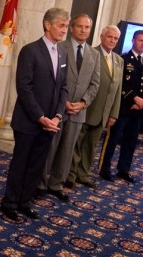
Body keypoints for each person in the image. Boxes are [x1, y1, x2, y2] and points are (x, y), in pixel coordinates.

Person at [0, 8, 69, 221]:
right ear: (47, 25)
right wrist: (40, 117)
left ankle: (24, 201)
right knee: (20, 164)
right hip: (29, 122)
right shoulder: (30, 51)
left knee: (37, 166)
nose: (64, 30)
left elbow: (64, 88)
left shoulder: (63, 53)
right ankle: (10, 202)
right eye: (61, 25)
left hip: (51, 123)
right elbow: (24, 88)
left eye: (66, 26)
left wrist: (57, 116)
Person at [38, 14, 100, 201]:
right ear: (71, 28)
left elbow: (95, 84)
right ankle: (39, 184)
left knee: (66, 151)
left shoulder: (94, 54)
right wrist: (63, 101)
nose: (83, 30)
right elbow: (52, 80)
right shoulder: (60, 47)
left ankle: (56, 184)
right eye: (79, 26)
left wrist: (83, 103)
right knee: (49, 148)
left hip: (78, 112)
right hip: (57, 109)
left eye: (87, 27)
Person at [98, 29, 143, 183]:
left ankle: (124, 169)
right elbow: (119, 83)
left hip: (139, 111)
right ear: (133, 40)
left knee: (131, 142)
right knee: (113, 139)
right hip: (122, 108)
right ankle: (105, 168)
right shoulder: (123, 59)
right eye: (140, 40)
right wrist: (134, 98)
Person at [69, 25, 123, 188]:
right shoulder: (91, 54)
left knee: (91, 146)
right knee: (76, 144)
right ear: (101, 37)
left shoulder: (119, 60)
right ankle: (70, 175)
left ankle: (83, 174)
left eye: (115, 38)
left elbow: (117, 90)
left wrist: (113, 114)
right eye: (109, 37)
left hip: (104, 113)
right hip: (87, 108)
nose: (112, 41)